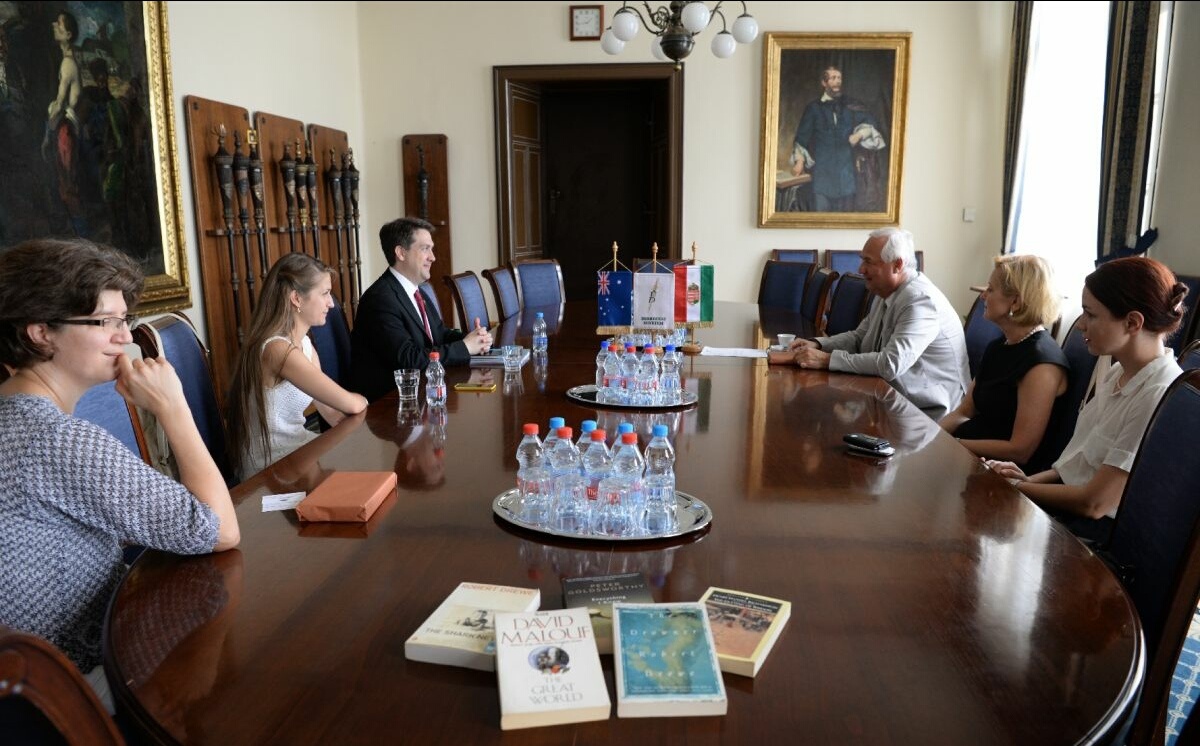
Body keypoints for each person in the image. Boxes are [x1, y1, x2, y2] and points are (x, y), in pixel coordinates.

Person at [0, 238, 239, 694]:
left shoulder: (13, 412)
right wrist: (174, 408)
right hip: (77, 685)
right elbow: (219, 530)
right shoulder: (56, 439)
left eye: (125, 320)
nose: (126, 337)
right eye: (106, 321)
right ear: (40, 332)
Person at [987, 257, 1186, 542]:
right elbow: (1075, 464)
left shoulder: (1157, 392)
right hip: (1071, 516)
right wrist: (1024, 481)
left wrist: (1018, 487)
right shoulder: (1118, 371)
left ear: (1132, 322)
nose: (1081, 324)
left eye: (1090, 315)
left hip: (1097, 537)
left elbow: (1095, 503)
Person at [769, 227, 969, 420]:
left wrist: (826, 360)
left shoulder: (919, 301)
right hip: (890, 399)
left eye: (868, 261)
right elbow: (859, 337)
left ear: (897, 265)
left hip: (928, 415)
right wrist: (818, 344)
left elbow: (890, 364)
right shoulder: (886, 291)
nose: (861, 269)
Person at [227, 253, 367, 481]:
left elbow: (330, 411)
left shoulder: (304, 344)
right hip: (271, 469)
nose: (331, 303)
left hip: (298, 451)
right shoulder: (276, 350)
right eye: (324, 293)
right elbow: (351, 403)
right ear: (296, 298)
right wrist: (362, 401)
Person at [941, 255, 1069, 472]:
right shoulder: (1000, 345)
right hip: (969, 455)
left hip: (1001, 474)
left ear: (1015, 302)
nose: (983, 295)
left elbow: (1020, 450)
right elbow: (964, 411)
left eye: (990, 289)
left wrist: (953, 444)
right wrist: (933, 435)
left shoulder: (1042, 365)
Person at [350, 217, 492, 401]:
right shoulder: (380, 299)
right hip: (391, 403)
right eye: (425, 248)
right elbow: (409, 360)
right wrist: (465, 347)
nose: (433, 257)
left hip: (423, 392)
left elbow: (439, 334)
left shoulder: (417, 291)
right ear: (401, 253)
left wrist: (475, 340)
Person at [790, 65, 886, 212]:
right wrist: (800, 161)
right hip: (822, 176)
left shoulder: (850, 106)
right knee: (821, 217)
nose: (838, 81)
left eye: (839, 78)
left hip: (846, 177)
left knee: (845, 218)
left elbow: (871, 122)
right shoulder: (813, 108)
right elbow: (801, 138)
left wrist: (859, 135)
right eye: (833, 78)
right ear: (824, 82)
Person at [45, 11, 85, 234]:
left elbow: (60, 105)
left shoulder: (68, 65)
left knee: (68, 185)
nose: (54, 25)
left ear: (68, 34)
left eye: (58, 24)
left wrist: (47, 130)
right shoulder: (66, 61)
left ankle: (82, 235)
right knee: (65, 184)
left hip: (65, 130)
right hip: (64, 129)